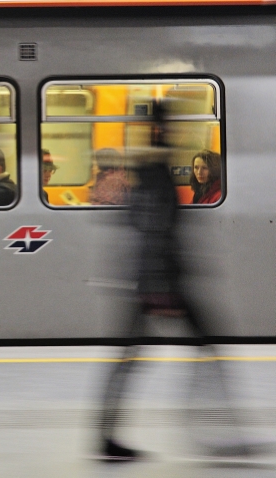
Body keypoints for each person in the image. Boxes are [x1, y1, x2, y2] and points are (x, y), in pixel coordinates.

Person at [97, 101, 251, 461]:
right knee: (205, 349)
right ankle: (214, 435)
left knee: (133, 358)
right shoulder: (155, 174)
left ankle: (106, 437)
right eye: (174, 128)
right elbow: (154, 232)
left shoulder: (147, 171)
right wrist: (160, 290)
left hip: (153, 280)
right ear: (163, 131)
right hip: (161, 282)